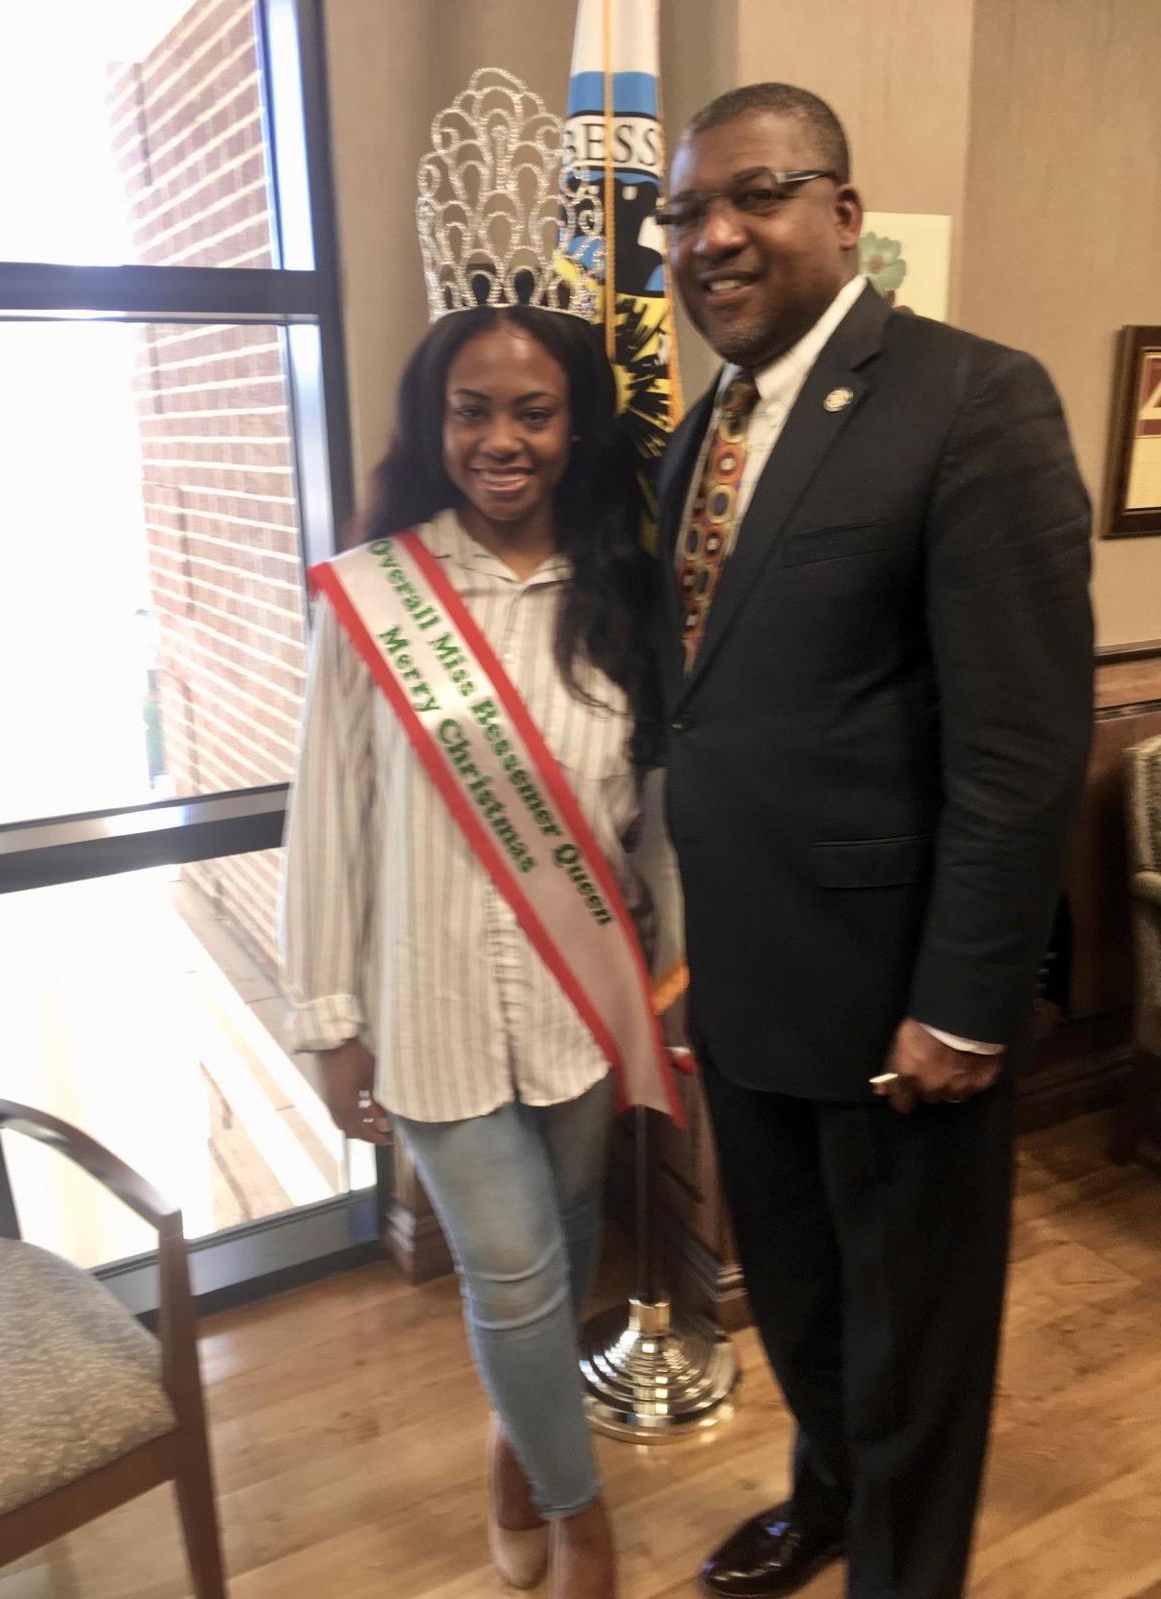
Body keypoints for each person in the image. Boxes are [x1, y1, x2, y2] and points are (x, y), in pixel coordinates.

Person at [653, 83, 1093, 1599]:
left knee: (914, 1348)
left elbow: (1022, 743)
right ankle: (828, 1501)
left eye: (755, 195)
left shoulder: (974, 397)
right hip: (756, 988)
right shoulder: (706, 428)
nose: (713, 236)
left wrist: (965, 1001)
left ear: (845, 216)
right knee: (802, 1307)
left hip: (904, 1005)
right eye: (684, 211)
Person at [280, 298, 671, 1599]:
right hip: (431, 1014)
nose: (502, 439)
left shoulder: (620, 595)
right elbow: (326, 819)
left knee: (557, 1261)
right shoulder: (373, 595)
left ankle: (516, 1441)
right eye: (471, 410)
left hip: (573, 1011)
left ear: (576, 428)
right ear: (432, 423)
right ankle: (583, 1519)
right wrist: (330, 1024)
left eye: (534, 411)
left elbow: (635, 819)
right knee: (510, 1279)